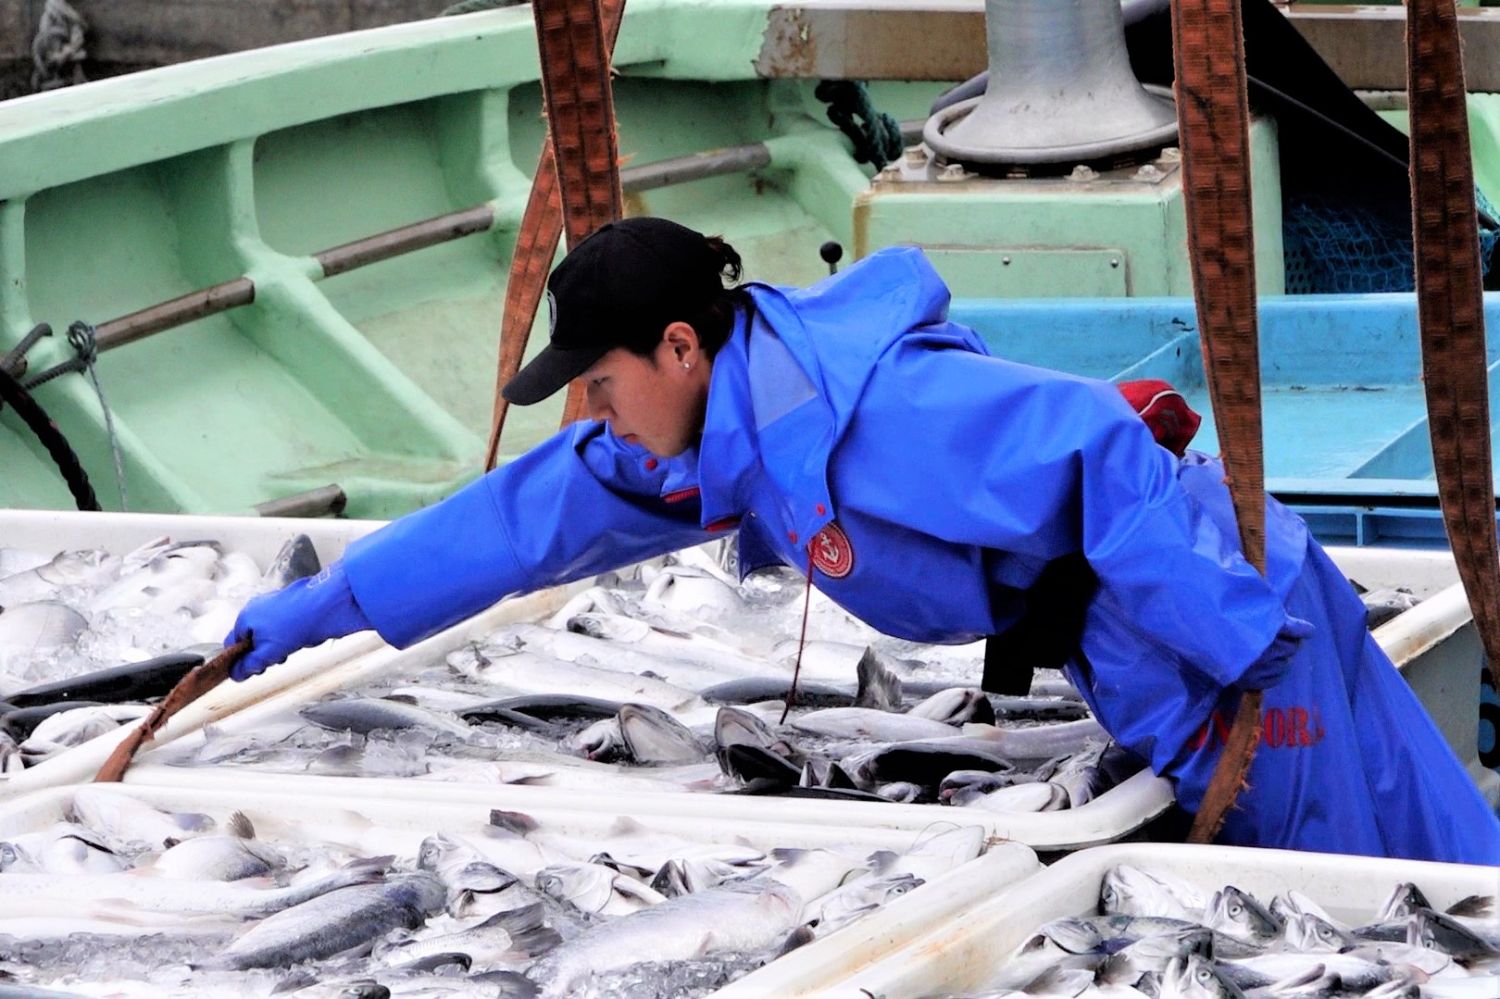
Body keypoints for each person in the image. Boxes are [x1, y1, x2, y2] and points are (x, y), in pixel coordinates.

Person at [229, 216, 1500, 864]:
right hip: (1170, 633)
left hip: (1217, 616)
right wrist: (329, 608)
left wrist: (1232, 646)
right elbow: (537, 511)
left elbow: (1105, 452)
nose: (593, 409)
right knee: (1425, 851)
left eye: (600, 381)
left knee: (1372, 892)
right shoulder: (729, 436)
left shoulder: (871, 418)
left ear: (681, 349)